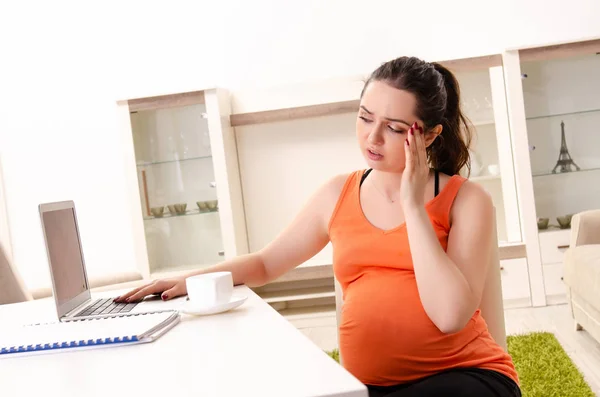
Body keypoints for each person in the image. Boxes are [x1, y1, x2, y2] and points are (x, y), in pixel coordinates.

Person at [115, 56, 522, 397]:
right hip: (369, 386)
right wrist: (185, 280)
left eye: (395, 129)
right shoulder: (336, 194)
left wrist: (414, 207)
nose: (373, 137)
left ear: (430, 135)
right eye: (365, 118)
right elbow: (265, 264)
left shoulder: (467, 201)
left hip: (464, 378)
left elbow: (451, 316)